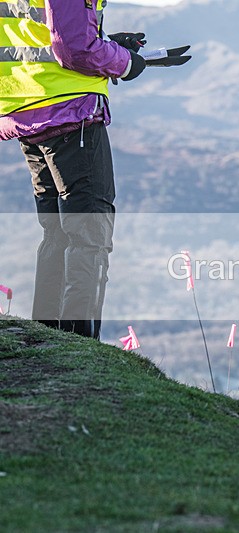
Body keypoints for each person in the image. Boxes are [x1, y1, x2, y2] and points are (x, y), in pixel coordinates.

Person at [0, 1, 147, 339]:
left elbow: (38, 33)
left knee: (57, 233)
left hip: (24, 110)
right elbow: (75, 50)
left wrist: (106, 43)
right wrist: (125, 63)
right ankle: (81, 343)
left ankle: (47, 337)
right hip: (70, 111)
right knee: (90, 235)